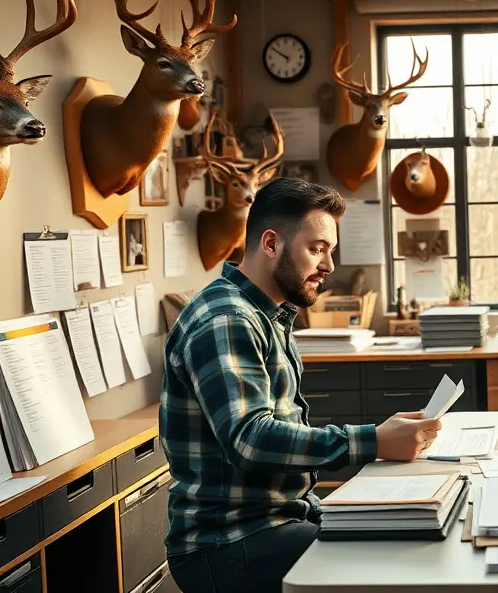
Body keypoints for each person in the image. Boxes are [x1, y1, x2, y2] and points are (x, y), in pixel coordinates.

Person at [160, 178, 442, 593]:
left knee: (407, 536)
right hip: (227, 543)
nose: (328, 266)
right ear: (271, 244)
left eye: (330, 250)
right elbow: (250, 439)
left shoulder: (269, 314)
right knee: (392, 567)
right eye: (317, 248)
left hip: (279, 521)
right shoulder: (227, 319)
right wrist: (374, 441)